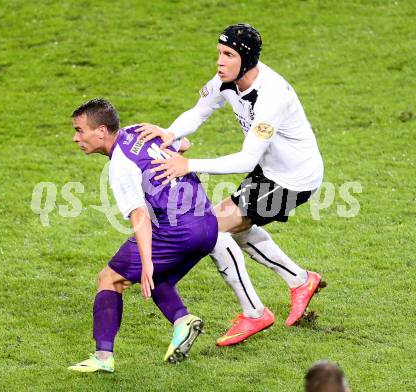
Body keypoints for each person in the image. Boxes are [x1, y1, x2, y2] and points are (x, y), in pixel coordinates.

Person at [135, 23, 326, 346]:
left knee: (213, 229)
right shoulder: (227, 81)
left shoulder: (272, 97)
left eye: (228, 55)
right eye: (219, 53)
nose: (220, 62)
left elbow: (246, 159)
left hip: (293, 178)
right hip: (271, 171)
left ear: (247, 59)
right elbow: (199, 112)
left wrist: (187, 164)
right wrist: (170, 134)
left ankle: (255, 313)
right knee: (229, 227)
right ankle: (300, 280)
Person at [68, 98, 218, 372]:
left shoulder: (120, 165)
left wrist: (146, 262)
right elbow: (184, 145)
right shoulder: (139, 130)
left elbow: (139, 216)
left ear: (101, 131)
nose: (75, 138)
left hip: (178, 230)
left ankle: (103, 357)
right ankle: (182, 321)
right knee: (158, 275)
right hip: (208, 224)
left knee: (109, 279)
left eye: (80, 130)